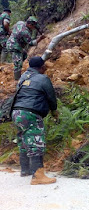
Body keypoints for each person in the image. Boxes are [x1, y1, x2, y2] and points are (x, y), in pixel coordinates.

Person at [11, 56, 58, 185]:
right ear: (42, 67)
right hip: (30, 112)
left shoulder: (23, 78)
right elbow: (51, 97)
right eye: (44, 67)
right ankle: (38, 175)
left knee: (24, 139)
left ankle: (25, 170)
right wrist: (54, 111)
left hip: (16, 112)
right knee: (36, 140)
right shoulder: (43, 78)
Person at [6, 16, 46, 80]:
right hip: (14, 46)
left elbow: (13, 27)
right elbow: (31, 43)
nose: (33, 28)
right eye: (33, 26)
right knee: (18, 63)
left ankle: (18, 63)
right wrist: (40, 38)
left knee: (24, 54)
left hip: (14, 43)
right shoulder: (25, 32)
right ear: (29, 25)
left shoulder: (20, 23)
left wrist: (39, 30)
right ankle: (17, 79)